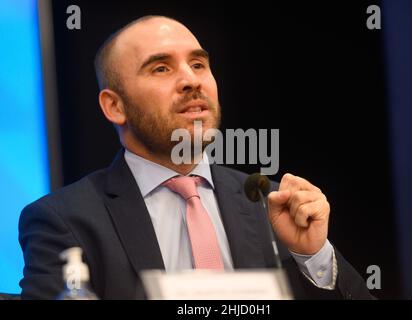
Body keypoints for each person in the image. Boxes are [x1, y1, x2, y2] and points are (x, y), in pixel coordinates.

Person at [19, 16, 372, 299]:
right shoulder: (64, 220)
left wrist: (314, 256)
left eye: (199, 64)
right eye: (161, 68)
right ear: (115, 105)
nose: (191, 80)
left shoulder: (272, 202)